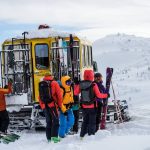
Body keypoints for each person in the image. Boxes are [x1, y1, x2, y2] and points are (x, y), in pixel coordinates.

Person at [74, 70, 108, 139]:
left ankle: (82, 136)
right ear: (92, 76)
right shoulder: (93, 84)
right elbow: (99, 95)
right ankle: (91, 137)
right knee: (92, 122)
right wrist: (106, 95)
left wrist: (77, 84)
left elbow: (75, 93)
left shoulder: (81, 84)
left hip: (84, 106)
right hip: (92, 106)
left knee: (85, 121)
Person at [39, 75, 66, 143]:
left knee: (48, 122)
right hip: (52, 106)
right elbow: (59, 96)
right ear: (51, 77)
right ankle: (54, 139)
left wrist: (42, 106)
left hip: (45, 106)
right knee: (56, 121)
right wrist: (60, 105)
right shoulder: (54, 83)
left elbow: (39, 97)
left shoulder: (42, 84)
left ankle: (49, 139)